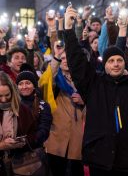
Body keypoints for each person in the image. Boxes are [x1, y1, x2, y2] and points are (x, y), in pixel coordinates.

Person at [63, 5, 128, 176]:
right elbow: (77, 63)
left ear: (124, 63)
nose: (115, 64)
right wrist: (68, 30)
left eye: (119, 60)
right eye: (111, 60)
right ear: (105, 65)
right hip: (100, 160)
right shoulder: (94, 84)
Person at [44, 41, 85, 176]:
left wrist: (83, 101)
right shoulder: (56, 79)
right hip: (57, 134)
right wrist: (56, 56)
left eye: (69, 58)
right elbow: (47, 79)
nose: (66, 61)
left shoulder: (83, 80)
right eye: (63, 58)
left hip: (78, 135)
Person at [0, 71, 36, 175]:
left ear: (13, 91)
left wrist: (20, 142)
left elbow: (33, 134)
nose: (3, 99)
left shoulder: (22, 110)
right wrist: (2, 146)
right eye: (0, 96)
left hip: (19, 165)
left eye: (7, 95)